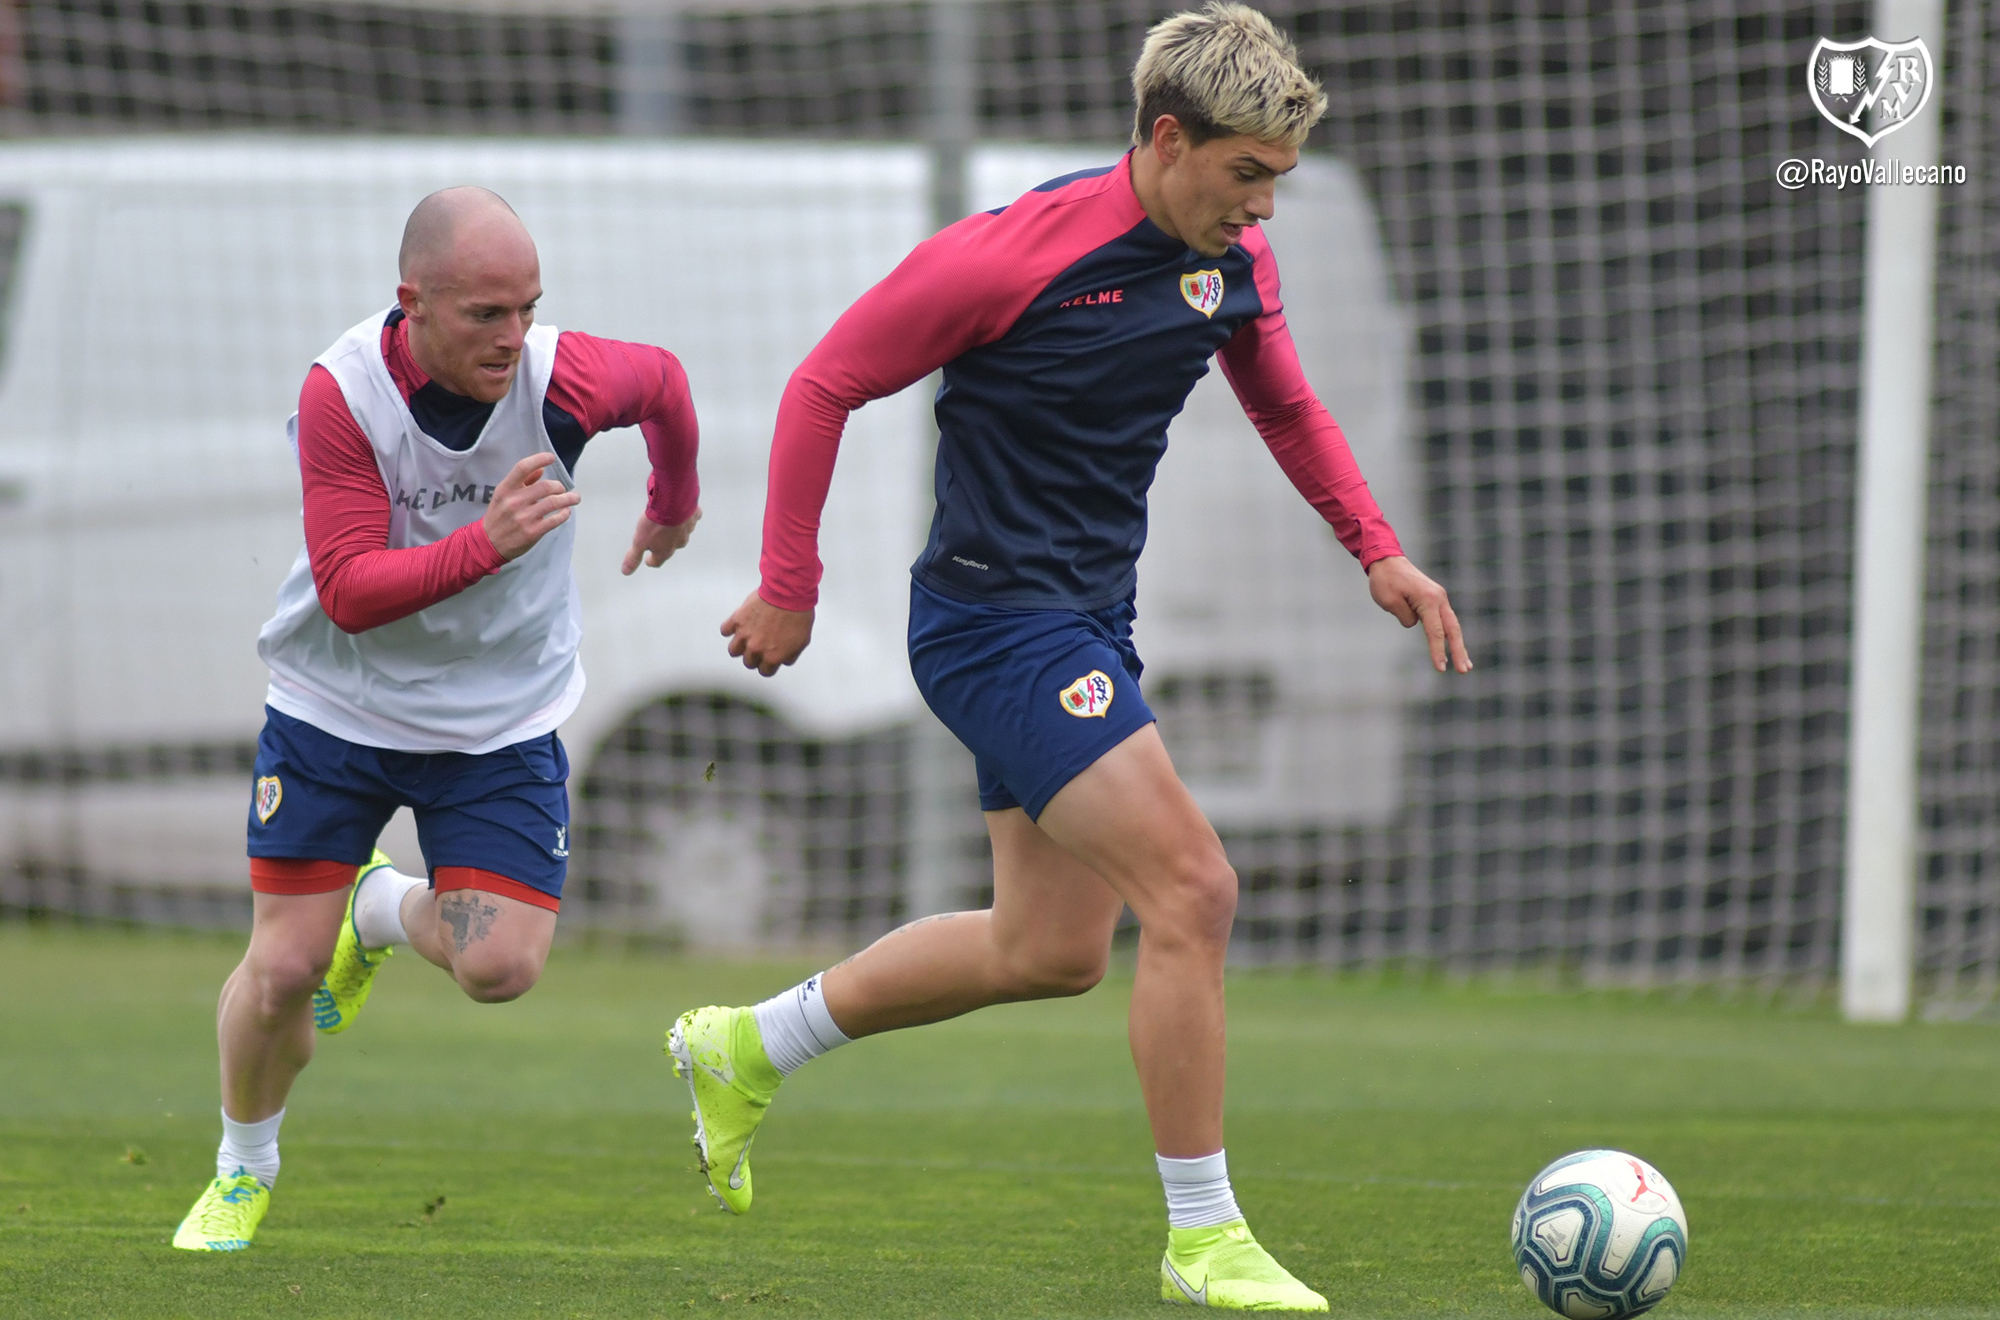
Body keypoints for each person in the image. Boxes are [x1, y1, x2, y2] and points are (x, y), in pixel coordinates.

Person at [669, 3, 1470, 1310]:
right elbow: (824, 383)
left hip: (1087, 622)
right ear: (1167, 137)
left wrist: (1376, 549)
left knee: (1048, 950)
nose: (1262, 209)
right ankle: (1203, 1238)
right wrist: (788, 589)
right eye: (1246, 175)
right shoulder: (1007, 258)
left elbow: (1287, 402)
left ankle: (747, 1045)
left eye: (1279, 180)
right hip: (993, 626)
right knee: (1195, 892)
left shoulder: (1230, 267)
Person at [172, 187, 703, 1252]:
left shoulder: (566, 376)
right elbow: (351, 591)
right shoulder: (344, 395)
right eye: (484, 315)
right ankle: (243, 1166)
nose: (514, 338)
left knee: (500, 969)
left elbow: (667, 385)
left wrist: (673, 498)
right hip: (338, 704)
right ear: (410, 303)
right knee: (279, 971)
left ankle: (376, 913)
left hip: (497, 717)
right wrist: (492, 542)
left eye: (526, 309)